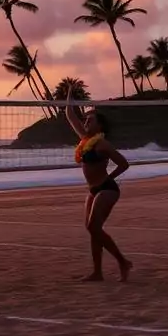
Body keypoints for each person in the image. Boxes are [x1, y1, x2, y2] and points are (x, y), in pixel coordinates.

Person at [62, 91, 133, 282]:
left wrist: (109, 177)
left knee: (93, 227)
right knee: (92, 229)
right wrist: (70, 93)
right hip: (92, 190)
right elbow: (70, 115)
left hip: (107, 189)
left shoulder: (102, 144)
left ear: (99, 126)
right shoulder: (84, 139)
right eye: (85, 120)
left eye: (90, 120)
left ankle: (123, 261)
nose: (86, 123)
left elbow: (124, 164)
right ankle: (97, 272)